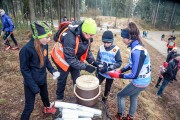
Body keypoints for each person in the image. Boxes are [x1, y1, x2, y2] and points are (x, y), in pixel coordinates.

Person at [108, 22, 151, 120]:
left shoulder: (137, 52)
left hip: (139, 82)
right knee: (133, 96)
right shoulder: (136, 46)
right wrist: (121, 70)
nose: (122, 39)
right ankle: (130, 117)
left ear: (129, 38)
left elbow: (134, 75)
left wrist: (118, 76)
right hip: (144, 80)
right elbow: (132, 65)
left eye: (123, 37)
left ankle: (120, 115)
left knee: (120, 96)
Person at [19, 21, 60, 120]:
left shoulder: (44, 44)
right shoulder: (26, 50)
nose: (49, 40)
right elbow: (24, 70)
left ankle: (47, 108)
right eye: (47, 37)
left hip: (42, 78)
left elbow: (46, 60)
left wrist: (53, 70)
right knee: (29, 107)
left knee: (45, 96)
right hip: (31, 82)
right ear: (38, 36)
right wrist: (34, 87)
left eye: (50, 37)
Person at [51, 18, 98, 101]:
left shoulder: (87, 36)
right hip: (62, 59)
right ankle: (59, 98)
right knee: (62, 79)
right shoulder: (70, 36)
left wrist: (93, 62)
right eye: (90, 35)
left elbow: (87, 51)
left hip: (73, 57)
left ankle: (78, 96)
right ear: (84, 32)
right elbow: (69, 58)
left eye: (93, 35)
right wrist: (85, 67)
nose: (92, 37)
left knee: (77, 78)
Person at [95, 30, 122, 104]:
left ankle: (104, 99)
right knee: (96, 84)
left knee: (107, 87)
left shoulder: (116, 50)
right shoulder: (101, 48)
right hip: (101, 72)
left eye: (108, 43)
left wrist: (108, 68)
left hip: (110, 74)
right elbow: (98, 59)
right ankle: (94, 96)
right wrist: (100, 67)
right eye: (104, 42)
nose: (106, 44)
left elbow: (119, 62)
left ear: (112, 41)